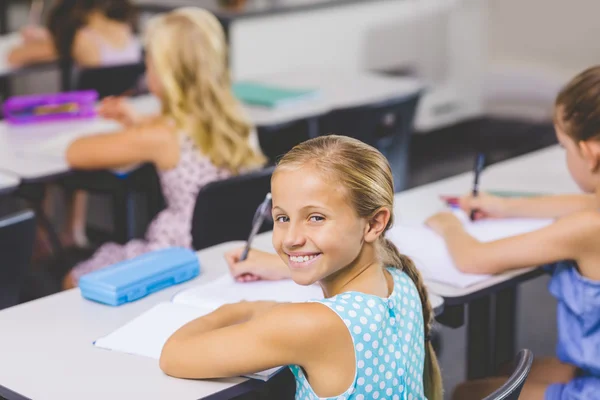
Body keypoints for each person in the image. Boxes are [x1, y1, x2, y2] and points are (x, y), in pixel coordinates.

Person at [160, 135, 443, 400]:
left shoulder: (312, 325)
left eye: (316, 217)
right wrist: (267, 301)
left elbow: (173, 356)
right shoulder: (400, 280)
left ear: (373, 224)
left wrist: (234, 309)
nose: (292, 239)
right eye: (282, 218)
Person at [425, 66, 600, 399]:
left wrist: (447, 224)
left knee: (468, 392)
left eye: (564, 147)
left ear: (590, 153)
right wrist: (504, 207)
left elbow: (474, 260)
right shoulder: (592, 213)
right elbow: (585, 202)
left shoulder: (587, 229)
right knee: (505, 371)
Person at [61, 7, 265, 288]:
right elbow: (184, 125)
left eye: (150, 64)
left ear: (164, 72)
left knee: (72, 281)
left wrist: (140, 127)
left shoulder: (161, 135)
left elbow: (76, 152)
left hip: (175, 259)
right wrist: (141, 121)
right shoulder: (238, 120)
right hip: (225, 252)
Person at [9, 0, 142, 253]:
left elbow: (15, 56)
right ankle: (73, 228)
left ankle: (41, 236)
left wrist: (41, 40)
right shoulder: (126, 30)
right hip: (118, 128)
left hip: (89, 133)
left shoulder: (81, 38)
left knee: (40, 148)